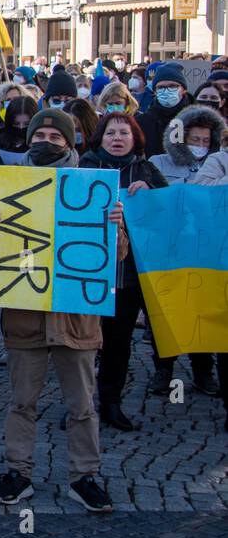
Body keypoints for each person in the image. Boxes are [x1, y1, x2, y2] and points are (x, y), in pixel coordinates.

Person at [0, 107, 125, 513]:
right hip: (25, 314)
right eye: (39, 134)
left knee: (82, 404)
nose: (45, 141)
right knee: (21, 401)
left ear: (71, 142)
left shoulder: (94, 189)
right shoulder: (2, 189)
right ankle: (18, 472)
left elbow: (113, 256)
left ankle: (85, 477)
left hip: (76, 317)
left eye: (55, 136)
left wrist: (114, 227)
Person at [77, 112, 167, 432]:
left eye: (124, 133)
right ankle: (79, 404)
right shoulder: (83, 169)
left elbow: (169, 214)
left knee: (118, 342)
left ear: (135, 138)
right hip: (86, 272)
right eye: (111, 133)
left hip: (128, 275)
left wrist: (153, 195)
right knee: (84, 344)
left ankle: (111, 403)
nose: (117, 138)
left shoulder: (146, 169)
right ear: (100, 137)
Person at [146, 105, 224, 397]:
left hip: (205, 252)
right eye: (195, 139)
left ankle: (203, 371)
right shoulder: (157, 162)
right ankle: (163, 370)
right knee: (164, 313)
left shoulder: (217, 165)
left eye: (206, 141)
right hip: (166, 251)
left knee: (202, 312)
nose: (200, 146)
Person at [136, 64, 192, 156]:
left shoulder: (199, 119)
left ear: (184, 90)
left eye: (172, 86)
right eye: (161, 87)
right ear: (154, 91)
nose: (166, 91)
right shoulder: (142, 122)